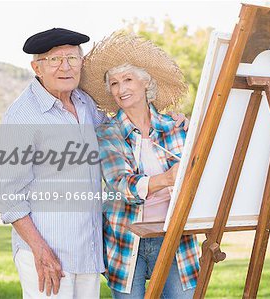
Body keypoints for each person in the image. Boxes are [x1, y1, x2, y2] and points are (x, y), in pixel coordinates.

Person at [0, 28, 188, 299]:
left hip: (86, 250)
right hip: (47, 253)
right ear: (36, 67)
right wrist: (40, 251)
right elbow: (9, 199)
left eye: (73, 59)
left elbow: (127, 129)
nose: (65, 67)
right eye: (55, 60)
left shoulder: (85, 104)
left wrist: (175, 121)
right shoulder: (21, 117)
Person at [80, 33, 200, 298]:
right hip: (126, 240)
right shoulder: (107, 133)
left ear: (146, 83)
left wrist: (195, 134)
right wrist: (167, 179)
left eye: (128, 79)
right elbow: (122, 185)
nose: (121, 89)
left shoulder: (177, 127)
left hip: (176, 239)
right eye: (114, 83)